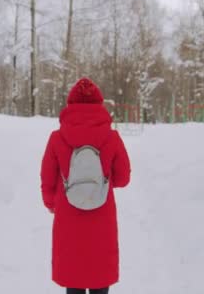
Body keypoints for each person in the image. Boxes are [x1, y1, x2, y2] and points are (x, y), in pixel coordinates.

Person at [40, 78, 131, 294]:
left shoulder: (57, 138)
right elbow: (123, 178)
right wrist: (103, 181)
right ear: (99, 104)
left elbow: (47, 178)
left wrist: (52, 203)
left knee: (74, 275)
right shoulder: (111, 137)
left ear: (70, 105)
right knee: (100, 274)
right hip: (102, 216)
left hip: (68, 217)